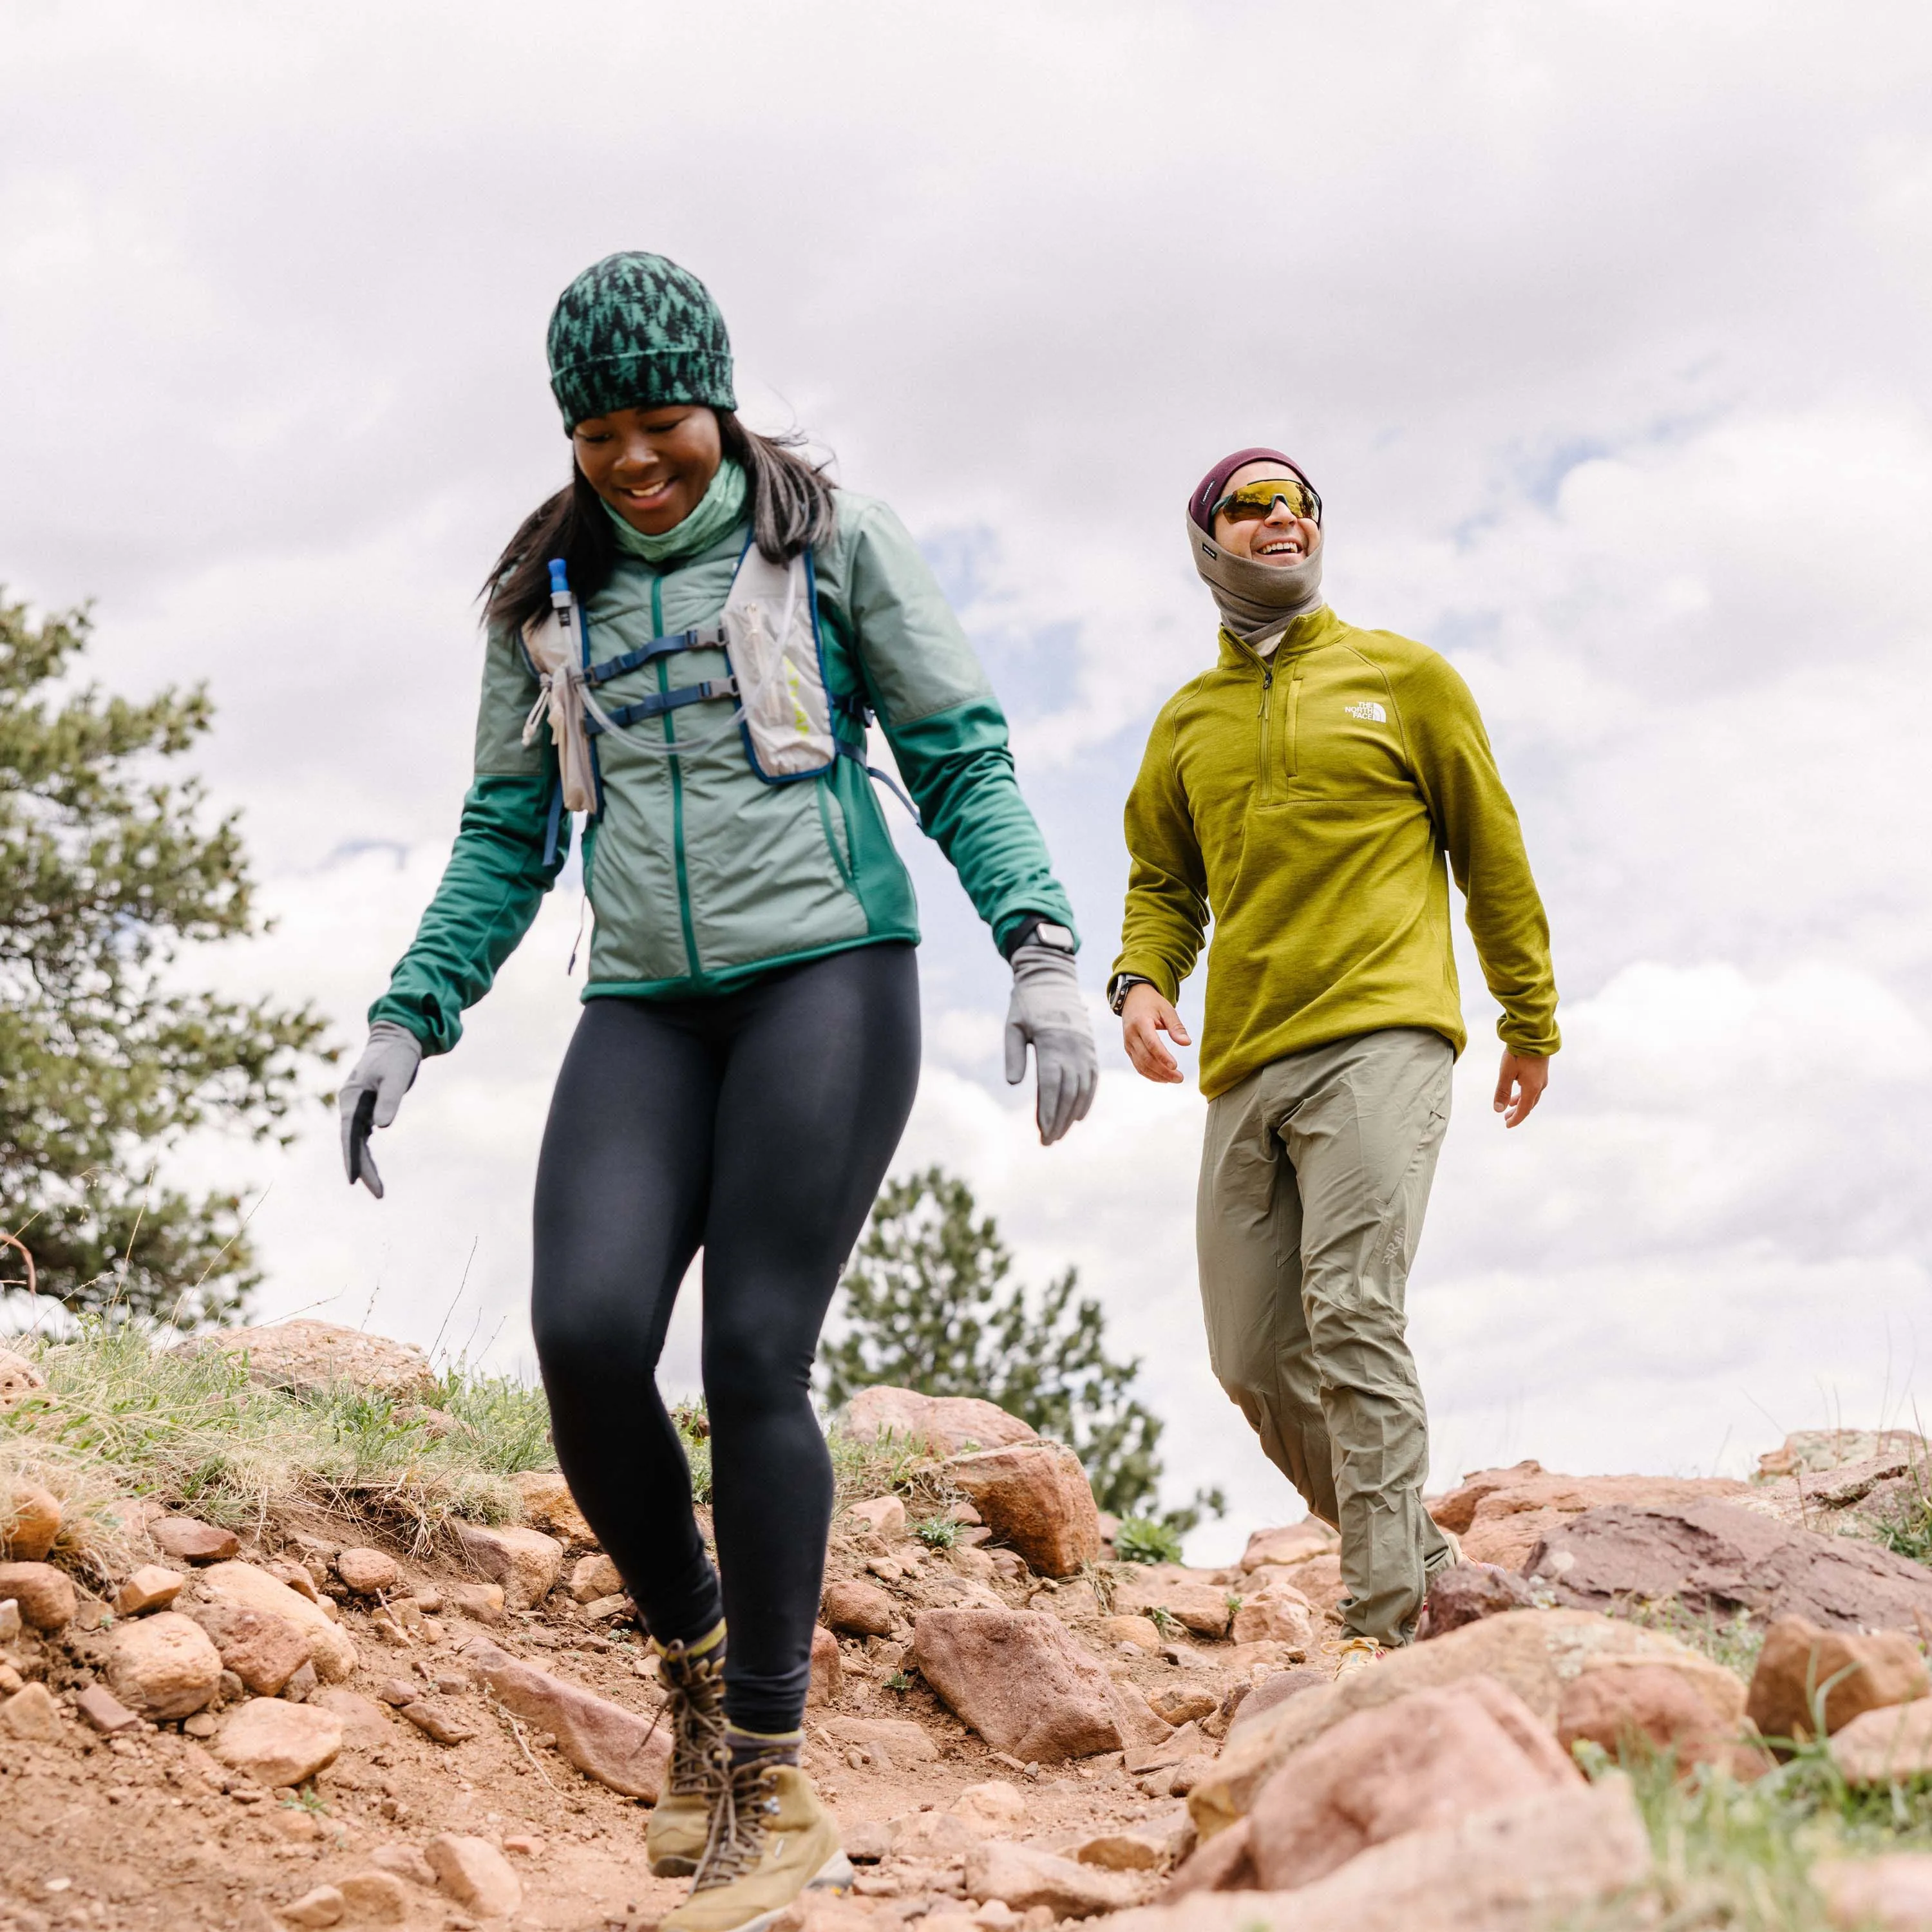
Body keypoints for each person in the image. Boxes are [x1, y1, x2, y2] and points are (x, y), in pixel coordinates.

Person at [337, 252, 1095, 1929]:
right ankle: (689, 1666)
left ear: (720, 403)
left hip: (829, 976)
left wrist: (1040, 952)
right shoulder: (545, 597)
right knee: (587, 1333)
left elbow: (961, 749)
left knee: (755, 1351)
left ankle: (770, 1775)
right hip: (647, 1007)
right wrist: (412, 1015)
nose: (634, 460)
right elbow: (503, 833)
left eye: (660, 423)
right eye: (598, 431)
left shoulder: (830, 543)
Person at [1110, 448, 1558, 1674]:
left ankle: (1386, 1628)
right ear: (1209, 541)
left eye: (1300, 504)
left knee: (1354, 1306)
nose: (1283, 520)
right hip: (1248, 1060)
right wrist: (1144, 981)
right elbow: (1162, 885)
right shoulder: (1185, 726)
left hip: (1387, 1033)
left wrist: (1531, 1015)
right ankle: (1420, 1562)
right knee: (1252, 1354)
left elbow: (1493, 855)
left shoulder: (1406, 680)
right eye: (1252, 506)